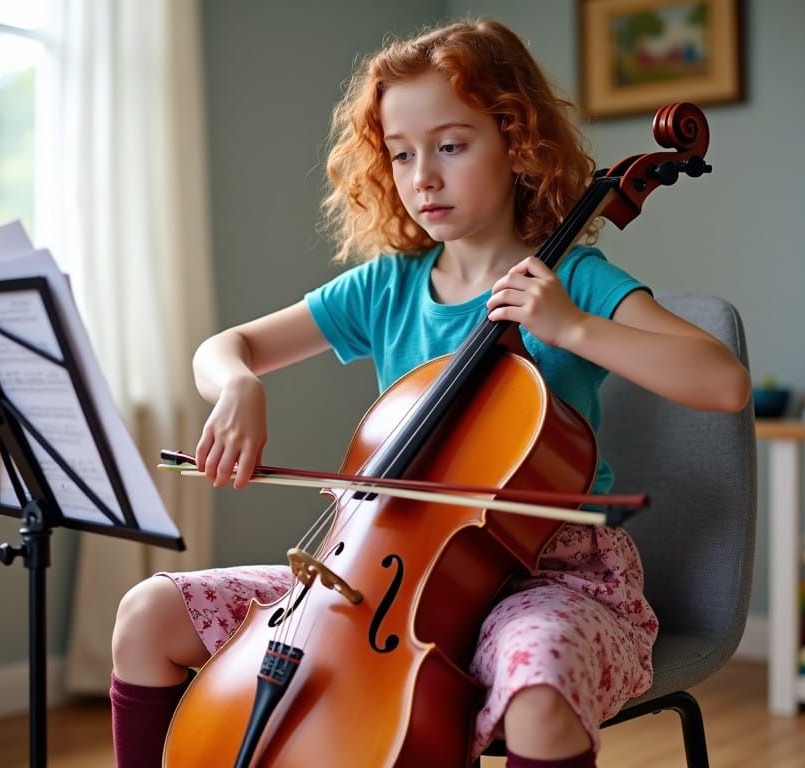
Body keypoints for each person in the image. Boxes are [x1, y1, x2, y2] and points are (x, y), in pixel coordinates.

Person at [109, 18, 751, 768]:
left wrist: (574, 328)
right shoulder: (389, 285)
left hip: (549, 573)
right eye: (402, 153)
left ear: (517, 142)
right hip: (379, 574)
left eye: (451, 145)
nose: (424, 177)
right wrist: (238, 383)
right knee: (147, 613)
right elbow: (226, 347)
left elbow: (723, 383)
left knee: (539, 693)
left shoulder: (574, 280)